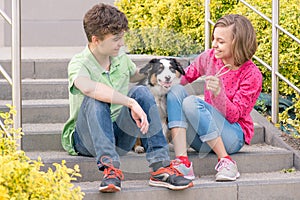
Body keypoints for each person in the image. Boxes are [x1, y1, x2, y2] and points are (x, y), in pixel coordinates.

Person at [61, 3, 193, 193]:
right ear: (96, 40)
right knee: (96, 97)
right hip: (86, 139)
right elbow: (89, 88)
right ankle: (110, 169)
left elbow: (134, 75)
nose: (121, 43)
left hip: (119, 136)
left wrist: (156, 68)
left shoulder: (120, 57)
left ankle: (160, 168)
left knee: (142, 92)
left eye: (122, 38)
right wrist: (130, 102)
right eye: (116, 39)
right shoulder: (79, 63)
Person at [167, 14, 262, 181]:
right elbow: (184, 77)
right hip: (203, 137)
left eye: (221, 41)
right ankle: (182, 162)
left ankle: (226, 161)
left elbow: (234, 116)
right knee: (175, 90)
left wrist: (219, 94)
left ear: (238, 43)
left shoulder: (251, 74)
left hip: (232, 135)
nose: (214, 45)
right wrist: (164, 79)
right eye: (214, 39)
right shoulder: (209, 57)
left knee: (191, 102)